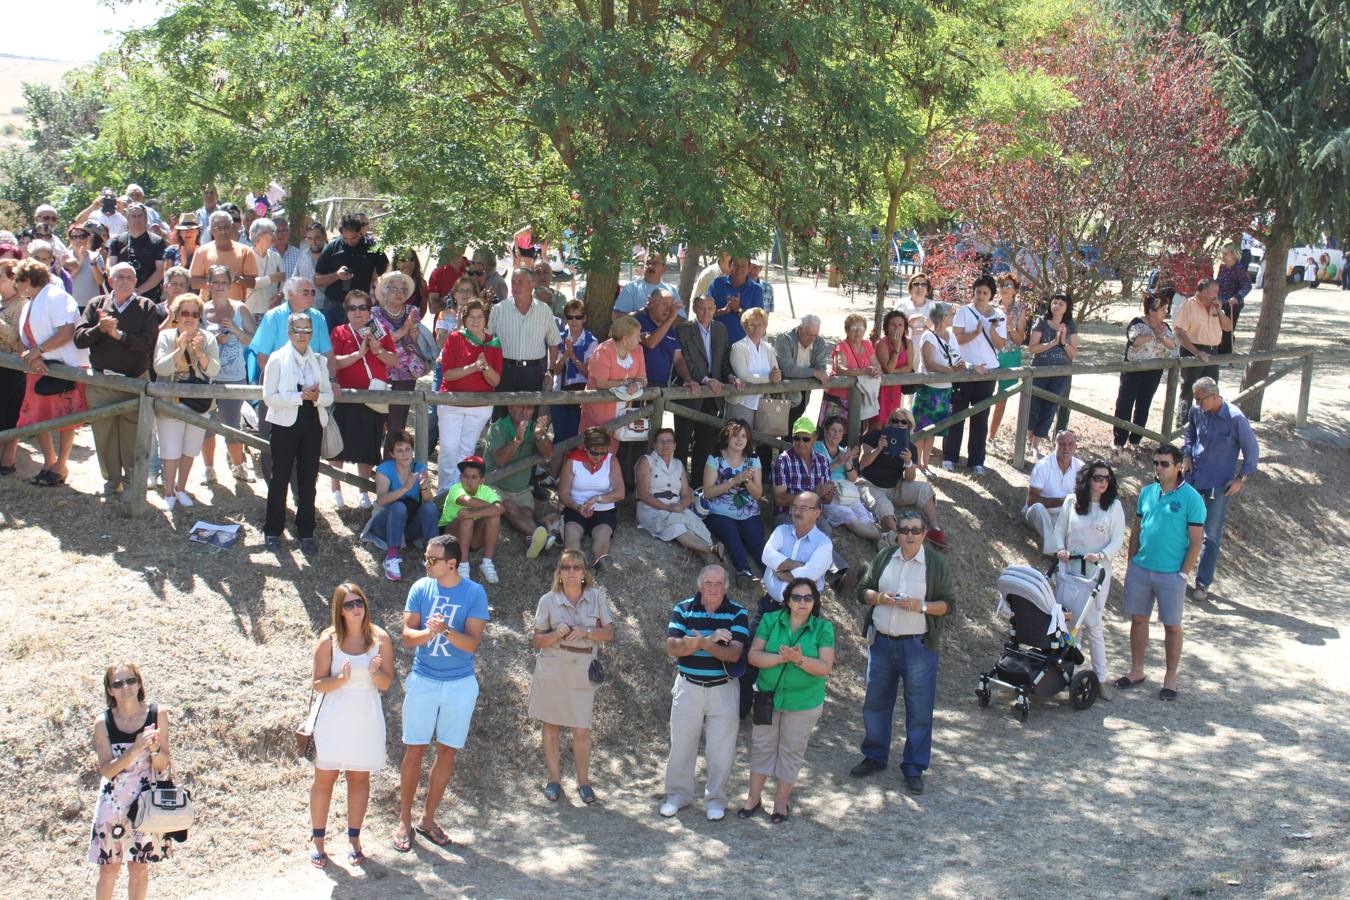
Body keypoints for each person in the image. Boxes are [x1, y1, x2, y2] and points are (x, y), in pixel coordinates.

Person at [850, 510, 956, 794]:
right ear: (897, 532)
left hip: (918, 646)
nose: (909, 535)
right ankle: (874, 756)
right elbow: (863, 591)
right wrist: (881, 598)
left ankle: (913, 767)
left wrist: (920, 605)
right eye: (905, 529)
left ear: (924, 534)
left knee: (919, 709)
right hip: (882, 643)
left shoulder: (934, 564)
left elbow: (948, 605)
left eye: (915, 530)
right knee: (875, 703)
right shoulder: (885, 557)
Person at [395, 535, 490, 853]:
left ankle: (428, 818)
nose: (426, 563)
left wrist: (446, 630)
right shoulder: (420, 588)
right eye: (426, 557)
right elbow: (408, 637)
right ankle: (404, 821)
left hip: (460, 683)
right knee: (414, 751)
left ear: (452, 563)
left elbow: (472, 643)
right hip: (423, 679)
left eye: (432, 559)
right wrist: (429, 632)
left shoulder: (474, 593)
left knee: (447, 752)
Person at [308, 583, 394, 869]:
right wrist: (341, 680)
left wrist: (374, 671)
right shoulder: (328, 640)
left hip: (367, 715)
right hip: (334, 716)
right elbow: (318, 683)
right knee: (325, 779)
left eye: (360, 603)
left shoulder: (380, 638)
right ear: (339, 610)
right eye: (349, 605)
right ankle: (318, 842)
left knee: (359, 779)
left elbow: (386, 684)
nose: (356, 609)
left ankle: (354, 840)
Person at [738, 576, 835, 823]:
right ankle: (753, 798)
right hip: (768, 697)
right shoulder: (770, 621)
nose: (802, 603)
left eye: (808, 598)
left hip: (803, 702)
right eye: (796, 597)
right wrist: (783, 658)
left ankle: (781, 803)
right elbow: (754, 656)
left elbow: (825, 667)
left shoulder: (823, 628)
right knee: (762, 746)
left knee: (791, 750)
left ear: (815, 601)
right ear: (788, 601)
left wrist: (799, 660)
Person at [1116, 444, 1206, 701]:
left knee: (1172, 626)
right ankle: (1137, 670)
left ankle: (1170, 676)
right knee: (1138, 619)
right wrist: (1132, 562)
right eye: (1155, 463)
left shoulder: (1192, 498)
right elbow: (1137, 529)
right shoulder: (1146, 493)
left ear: (1179, 466)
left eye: (1164, 463)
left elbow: (1196, 541)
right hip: (1141, 569)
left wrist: (1183, 573)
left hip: (1171, 574)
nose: (1158, 468)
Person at [661, 564, 750, 821]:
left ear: (726, 587)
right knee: (681, 745)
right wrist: (708, 641)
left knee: (721, 749)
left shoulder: (737, 612)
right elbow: (672, 647)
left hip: (723, 689)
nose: (713, 588)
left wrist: (697, 642)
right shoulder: (683, 608)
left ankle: (716, 799)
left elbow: (734, 654)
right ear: (700, 585)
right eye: (708, 583)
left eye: (718, 584)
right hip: (688, 686)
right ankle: (677, 796)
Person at [528, 550, 616, 803]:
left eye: (576, 567)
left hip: (583, 666)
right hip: (553, 666)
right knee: (551, 725)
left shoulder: (597, 597)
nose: (571, 573)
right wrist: (556, 634)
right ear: (559, 572)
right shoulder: (548, 600)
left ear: (584, 572)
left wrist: (587, 630)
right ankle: (554, 780)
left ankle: (583, 782)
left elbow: (609, 633)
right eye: (566, 567)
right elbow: (537, 640)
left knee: (581, 730)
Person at [74, 263, 163, 496]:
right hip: (101, 383)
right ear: (110, 280)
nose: (125, 281)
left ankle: (133, 485)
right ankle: (112, 482)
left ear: (135, 282)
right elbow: (79, 339)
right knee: (104, 435)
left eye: (130, 277)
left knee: (132, 438)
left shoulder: (146, 306)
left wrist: (119, 335)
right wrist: (99, 329)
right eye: (120, 277)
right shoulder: (97, 304)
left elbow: (148, 343)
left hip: (133, 382)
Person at [89, 663, 174, 895]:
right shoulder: (102, 722)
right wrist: (135, 750)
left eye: (130, 681)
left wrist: (155, 750)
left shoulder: (158, 714)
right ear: (110, 691)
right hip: (112, 802)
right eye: (118, 683)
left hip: (146, 801)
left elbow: (162, 764)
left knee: (139, 867)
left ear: (139, 683)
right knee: (108, 868)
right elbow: (107, 770)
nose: (125, 687)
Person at [1051, 461, 1126, 698]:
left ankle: (1101, 678)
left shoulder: (1114, 507)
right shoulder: (1071, 502)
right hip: (1070, 569)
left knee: (1092, 624)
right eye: (1098, 478)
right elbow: (1059, 530)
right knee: (1069, 623)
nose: (1103, 482)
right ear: (1087, 480)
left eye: (1107, 478)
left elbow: (1117, 539)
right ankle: (1069, 673)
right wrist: (1060, 549)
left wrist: (1101, 555)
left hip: (1096, 572)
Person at [262, 312, 334, 552]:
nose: (302, 335)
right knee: (280, 477)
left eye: (306, 330)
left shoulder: (319, 361)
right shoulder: (277, 358)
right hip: (284, 423)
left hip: (312, 421)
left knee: (308, 478)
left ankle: (306, 531)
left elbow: (329, 395)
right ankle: (273, 530)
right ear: (289, 332)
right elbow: (269, 397)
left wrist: (316, 397)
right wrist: (298, 396)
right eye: (297, 330)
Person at [1182, 377, 1259, 601]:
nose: (1196, 404)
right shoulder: (1197, 412)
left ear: (1214, 397)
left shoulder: (1236, 419)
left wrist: (1241, 478)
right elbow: (1190, 434)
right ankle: (1178, 576)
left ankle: (1202, 582)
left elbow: (1252, 452)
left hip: (1219, 484)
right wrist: (1187, 454)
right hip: (1193, 480)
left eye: (1200, 399)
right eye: (1195, 399)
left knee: (1211, 534)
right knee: (1182, 528)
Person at [13, 260, 87, 485]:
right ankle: (49, 462)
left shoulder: (57, 297)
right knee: (37, 418)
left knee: (66, 418)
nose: (15, 285)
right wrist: (33, 357)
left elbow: (66, 332)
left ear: (27, 280)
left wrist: (39, 351)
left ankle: (61, 465)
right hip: (38, 367)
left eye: (17, 280)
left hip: (63, 367)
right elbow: (24, 340)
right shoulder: (29, 303)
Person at [329, 289, 398, 509]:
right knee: (337, 446)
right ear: (346, 311)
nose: (357, 312)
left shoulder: (381, 330)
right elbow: (334, 363)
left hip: (372, 398)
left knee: (368, 447)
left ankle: (363, 492)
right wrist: (358, 354)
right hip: (345, 397)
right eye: (352, 308)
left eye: (362, 307)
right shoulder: (339, 332)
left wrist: (376, 350)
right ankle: (336, 490)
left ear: (370, 311)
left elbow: (394, 360)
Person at [152, 293, 221, 510]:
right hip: (169, 403)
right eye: (185, 313)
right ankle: (169, 492)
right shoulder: (165, 337)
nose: (189, 318)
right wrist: (179, 350)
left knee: (190, 449)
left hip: (198, 404)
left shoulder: (208, 339)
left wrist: (200, 353)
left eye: (194, 314)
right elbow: (159, 368)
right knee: (170, 450)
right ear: (176, 315)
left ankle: (181, 489)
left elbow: (214, 370)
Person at [436, 298, 502, 490]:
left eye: (480, 316)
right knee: (448, 449)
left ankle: (458, 492)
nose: (475, 320)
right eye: (471, 316)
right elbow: (448, 374)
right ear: (464, 320)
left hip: (479, 408)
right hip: (451, 404)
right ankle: (443, 493)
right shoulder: (455, 338)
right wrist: (473, 367)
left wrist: (485, 367)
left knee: (466, 451)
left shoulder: (494, 343)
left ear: (486, 319)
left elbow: (495, 381)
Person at [856, 407, 946, 548]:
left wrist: (909, 462)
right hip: (870, 484)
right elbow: (862, 463)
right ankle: (897, 536)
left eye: (903, 422)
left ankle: (936, 529)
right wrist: (878, 448)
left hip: (895, 487)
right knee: (884, 505)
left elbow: (910, 478)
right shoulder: (876, 436)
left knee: (925, 488)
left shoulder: (910, 447)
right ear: (889, 422)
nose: (899, 424)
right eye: (895, 420)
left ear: (909, 426)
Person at [199, 264, 256, 484]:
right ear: (209, 284)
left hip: (234, 377)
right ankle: (209, 469)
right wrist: (214, 341)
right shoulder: (202, 310)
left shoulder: (240, 308)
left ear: (230, 284)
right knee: (208, 425)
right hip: (207, 378)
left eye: (224, 282)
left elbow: (254, 341)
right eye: (216, 281)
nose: (220, 286)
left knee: (233, 425)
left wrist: (235, 330)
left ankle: (238, 466)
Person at [944, 274, 1006, 474]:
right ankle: (950, 457)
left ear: (992, 295)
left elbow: (1001, 345)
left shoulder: (999, 315)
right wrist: (976, 333)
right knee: (957, 412)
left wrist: (992, 329)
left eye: (985, 292)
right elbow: (956, 339)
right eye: (978, 291)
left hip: (988, 371)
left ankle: (977, 461)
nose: (980, 295)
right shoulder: (964, 311)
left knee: (981, 416)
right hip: (965, 369)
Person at [364, 430, 440, 582]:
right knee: (399, 507)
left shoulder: (419, 468)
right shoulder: (384, 470)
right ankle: (391, 558)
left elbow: (427, 500)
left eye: (408, 449)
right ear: (392, 454)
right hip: (384, 525)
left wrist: (424, 488)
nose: (405, 454)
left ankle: (433, 559)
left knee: (431, 508)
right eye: (399, 450)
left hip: (408, 525)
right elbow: (382, 500)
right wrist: (406, 488)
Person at [486, 403, 560, 556]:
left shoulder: (535, 428)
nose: (524, 411)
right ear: (510, 407)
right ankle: (545, 538)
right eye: (520, 406)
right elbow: (500, 461)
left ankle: (532, 541)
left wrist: (541, 436)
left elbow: (549, 455)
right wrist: (517, 440)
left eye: (529, 407)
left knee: (525, 514)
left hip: (521, 489)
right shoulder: (497, 427)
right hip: (495, 485)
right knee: (510, 508)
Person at [636, 426, 718, 562]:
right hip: (651, 508)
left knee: (695, 527)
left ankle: (708, 559)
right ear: (654, 444)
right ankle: (711, 550)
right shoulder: (647, 461)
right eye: (661, 441)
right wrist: (669, 508)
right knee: (677, 526)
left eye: (669, 441)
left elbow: (686, 494)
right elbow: (643, 494)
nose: (665, 445)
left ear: (675, 445)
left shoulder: (678, 464)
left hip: (675, 506)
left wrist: (681, 505)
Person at [702, 419, 767, 582]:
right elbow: (708, 492)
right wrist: (733, 480)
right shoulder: (715, 458)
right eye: (735, 436)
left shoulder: (753, 459)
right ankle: (743, 572)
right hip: (719, 512)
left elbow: (758, 494)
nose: (740, 440)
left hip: (749, 511)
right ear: (726, 437)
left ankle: (773, 575)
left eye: (744, 436)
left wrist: (746, 481)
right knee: (732, 537)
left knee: (756, 543)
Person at [1113, 290, 1177, 453]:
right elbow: (1134, 341)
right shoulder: (1137, 324)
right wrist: (1152, 334)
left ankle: (1135, 440)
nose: (1165, 312)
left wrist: (1161, 336)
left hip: (1153, 372)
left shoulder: (1165, 327)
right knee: (1125, 404)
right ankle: (1119, 441)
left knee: (1144, 405)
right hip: (1133, 370)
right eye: (1162, 309)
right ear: (1151, 311)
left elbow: (1172, 345)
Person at [673, 294, 732, 474]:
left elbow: (724, 360)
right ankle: (680, 484)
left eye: (709, 308)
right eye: (701, 308)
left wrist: (730, 376)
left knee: (705, 442)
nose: (705, 312)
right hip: (690, 392)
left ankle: (699, 485)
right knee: (682, 441)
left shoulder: (721, 329)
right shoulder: (683, 329)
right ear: (694, 309)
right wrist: (704, 380)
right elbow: (686, 360)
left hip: (712, 395)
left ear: (715, 309)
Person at [559, 426, 625, 571]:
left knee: (603, 533)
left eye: (603, 452)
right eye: (594, 452)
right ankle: (574, 564)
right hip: (576, 507)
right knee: (572, 531)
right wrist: (577, 507)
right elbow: (563, 494)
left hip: (604, 509)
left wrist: (598, 498)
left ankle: (600, 560)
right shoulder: (573, 460)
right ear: (585, 447)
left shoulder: (611, 460)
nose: (599, 457)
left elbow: (620, 492)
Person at [371, 270, 428, 438]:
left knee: (397, 426)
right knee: (376, 423)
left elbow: (416, 341)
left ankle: (391, 462)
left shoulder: (413, 311)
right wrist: (405, 328)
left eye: (403, 290)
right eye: (394, 289)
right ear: (384, 292)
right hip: (381, 373)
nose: (399, 293)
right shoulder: (373, 313)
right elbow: (382, 340)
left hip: (406, 374)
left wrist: (415, 334)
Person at [578, 314, 647, 452]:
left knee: (611, 456)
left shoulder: (638, 350)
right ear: (625, 339)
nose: (640, 339)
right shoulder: (603, 351)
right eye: (637, 336)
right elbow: (601, 383)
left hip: (621, 416)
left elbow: (643, 378)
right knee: (589, 451)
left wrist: (637, 384)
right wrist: (626, 382)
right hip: (597, 414)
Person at [488, 266, 560, 394]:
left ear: (532, 285)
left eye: (520, 282)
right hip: (505, 370)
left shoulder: (544, 310)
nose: (515, 287)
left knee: (530, 412)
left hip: (534, 373)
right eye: (513, 282)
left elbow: (553, 342)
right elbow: (486, 339)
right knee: (503, 412)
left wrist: (550, 370)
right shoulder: (499, 309)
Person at [728, 306, 783, 469]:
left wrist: (776, 376)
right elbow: (744, 375)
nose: (756, 328)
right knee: (739, 441)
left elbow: (776, 372)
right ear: (745, 326)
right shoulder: (738, 347)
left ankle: (761, 476)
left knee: (763, 441)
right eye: (752, 324)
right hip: (742, 402)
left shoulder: (769, 348)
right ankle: (734, 474)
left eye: (760, 324)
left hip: (763, 402)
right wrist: (769, 378)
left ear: (765, 326)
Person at [1172, 278, 1232, 428]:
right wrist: (1196, 352)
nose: (1217, 294)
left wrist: (1219, 310)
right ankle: (1182, 424)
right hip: (1193, 349)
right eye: (1215, 291)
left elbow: (1228, 327)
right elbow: (1179, 331)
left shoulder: (1215, 306)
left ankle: (1207, 422)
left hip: (1213, 351)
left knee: (1211, 389)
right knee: (1189, 389)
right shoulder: (1188, 305)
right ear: (1205, 292)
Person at [314, 213, 390, 330]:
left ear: (360, 232)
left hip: (360, 308)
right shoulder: (332, 247)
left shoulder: (372, 247)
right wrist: (336, 275)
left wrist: (376, 274)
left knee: (361, 342)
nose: (350, 242)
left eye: (353, 238)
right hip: (333, 306)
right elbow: (317, 280)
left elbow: (385, 266)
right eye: (345, 238)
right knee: (332, 343)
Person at [1026, 291, 1079, 457]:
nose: (1056, 306)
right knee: (1033, 408)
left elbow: (1073, 354)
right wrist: (1052, 343)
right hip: (1040, 371)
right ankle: (1029, 441)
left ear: (1067, 308)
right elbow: (1032, 348)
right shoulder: (1041, 322)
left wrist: (1063, 343)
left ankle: (1036, 444)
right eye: (1055, 302)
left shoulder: (1070, 325)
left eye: (1061, 304)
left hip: (1060, 374)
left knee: (1049, 409)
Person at [814, 416, 882, 542]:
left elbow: (853, 479)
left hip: (846, 492)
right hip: (828, 493)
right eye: (833, 430)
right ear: (825, 431)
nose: (837, 434)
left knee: (864, 516)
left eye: (840, 431)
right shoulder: (817, 448)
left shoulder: (843, 450)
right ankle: (881, 538)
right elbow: (817, 474)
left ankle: (881, 542)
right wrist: (838, 462)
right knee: (849, 515)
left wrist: (848, 463)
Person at [913, 301, 961, 473]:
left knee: (933, 429)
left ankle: (925, 463)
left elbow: (957, 359)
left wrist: (966, 367)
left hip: (944, 390)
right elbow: (929, 364)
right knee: (921, 428)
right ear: (943, 317)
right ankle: (917, 463)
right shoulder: (928, 337)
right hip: (928, 389)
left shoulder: (951, 336)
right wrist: (950, 370)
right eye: (951, 314)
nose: (953, 317)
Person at [438, 455, 503, 584]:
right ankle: (462, 564)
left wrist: (476, 513)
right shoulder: (456, 488)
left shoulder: (486, 491)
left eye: (474, 477)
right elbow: (466, 501)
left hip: (472, 538)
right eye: (466, 476)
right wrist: (490, 506)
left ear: (481, 480)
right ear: (460, 477)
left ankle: (487, 562)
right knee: (465, 517)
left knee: (494, 517)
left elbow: (501, 508)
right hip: (450, 537)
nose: (469, 480)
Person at [548, 298, 597, 454]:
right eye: (570, 317)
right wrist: (565, 356)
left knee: (576, 438)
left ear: (585, 318)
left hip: (581, 394)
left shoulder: (592, 342)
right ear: (566, 318)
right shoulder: (558, 337)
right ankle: (555, 476)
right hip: (559, 393)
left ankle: (570, 474)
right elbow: (555, 369)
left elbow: (589, 372)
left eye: (578, 317)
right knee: (559, 437)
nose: (574, 321)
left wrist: (573, 356)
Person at [1023, 429, 1082, 554]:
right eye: (1062, 444)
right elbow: (1031, 501)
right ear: (1055, 445)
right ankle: (1055, 550)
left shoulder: (1081, 468)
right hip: (1040, 514)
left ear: (1076, 447)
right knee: (1037, 508)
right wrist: (1064, 501)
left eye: (1070, 444)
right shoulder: (1043, 466)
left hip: (1064, 516)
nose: (1066, 447)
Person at [988, 274, 1029, 443]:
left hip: (1011, 355)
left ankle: (991, 436)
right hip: (990, 354)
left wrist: (1010, 325)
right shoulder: (990, 307)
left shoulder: (1021, 310)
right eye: (1003, 285)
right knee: (984, 395)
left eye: (1010, 285)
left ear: (1016, 290)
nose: (1005, 288)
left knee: (1002, 398)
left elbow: (1020, 340)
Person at [823, 313, 881, 428]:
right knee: (834, 433)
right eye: (854, 328)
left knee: (855, 434)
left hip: (859, 399)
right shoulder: (841, 346)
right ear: (847, 330)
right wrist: (865, 371)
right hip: (838, 399)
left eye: (861, 328)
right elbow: (840, 369)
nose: (858, 332)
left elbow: (876, 364)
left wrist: (876, 371)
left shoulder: (867, 345)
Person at [771, 313, 831, 425]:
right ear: (799, 329)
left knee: (794, 425)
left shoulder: (819, 342)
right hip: (783, 393)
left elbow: (821, 369)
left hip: (804, 391)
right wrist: (814, 372)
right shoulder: (784, 339)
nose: (812, 339)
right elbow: (788, 370)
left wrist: (816, 373)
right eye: (808, 335)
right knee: (778, 428)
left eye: (815, 335)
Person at [189, 210, 258, 303]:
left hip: (236, 307)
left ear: (232, 228)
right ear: (212, 230)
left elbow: (252, 283)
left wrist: (236, 279)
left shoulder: (245, 251)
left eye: (226, 227)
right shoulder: (202, 251)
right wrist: (216, 283)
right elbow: (194, 282)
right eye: (218, 228)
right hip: (208, 305)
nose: (223, 231)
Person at [0, 260, 28, 473]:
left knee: (10, 413)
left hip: (13, 367)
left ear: (13, 281)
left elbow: (14, 337)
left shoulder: (22, 305)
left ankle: (8, 459)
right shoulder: (2, 302)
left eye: (1, 277)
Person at [710, 256, 764, 344]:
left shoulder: (756, 289)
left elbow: (757, 322)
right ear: (730, 265)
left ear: (748, 268)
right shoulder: (718, 283)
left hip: (743, 343)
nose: (739, 269)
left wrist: (738, 309)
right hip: (716, 341)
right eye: (736, 265)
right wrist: (723, 311)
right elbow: (705, 313)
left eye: (743, 266)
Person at [874, 309, 911, 427]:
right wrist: (896, 348)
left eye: (900, 325)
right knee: (877, 425)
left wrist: (893, 372)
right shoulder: (881, 343)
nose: (897, 328)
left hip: (897, 388)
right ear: (887, 327)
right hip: (881, 389)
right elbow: (888, 368)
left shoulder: (908, 342)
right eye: (893, 325)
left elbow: (909, 367)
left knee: (893, 423)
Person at [241, 217, 285, 315]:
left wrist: (280, 295)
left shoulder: (275, 257)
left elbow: (283, 280)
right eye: (271, 232)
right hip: (249, 312)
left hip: (271, 312)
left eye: (275, 232)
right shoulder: (246, 256)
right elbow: (248, 283)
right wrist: (273, 278)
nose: (275, 235)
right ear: (258, 236)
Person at [1215, 247, 1251, 357]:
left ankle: (1225, 354)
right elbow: (1218, 282)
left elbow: (1247, 286)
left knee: (1228, 329)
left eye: (1226, 254)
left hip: (1232, 304)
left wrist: (1237, 297)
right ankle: (1219, 349)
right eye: (1223, 253)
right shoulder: (1223, 267)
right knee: (1218, 327)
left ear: (1233, 255)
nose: (1223, 256)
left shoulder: (1239, 268)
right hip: (1220, 302)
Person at [66, 221, 108, 308]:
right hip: (71, 305)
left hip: (92, 306)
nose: (78, 240)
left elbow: (100, 281)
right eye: (74, 237)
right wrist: (81, 260)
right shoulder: (65, 257)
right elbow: (68, 279)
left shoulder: (95, 256)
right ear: (70, 240)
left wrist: (93, 264)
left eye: (82, 236)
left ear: (87, 238)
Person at [427, 242, 469, 313]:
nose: (461, 244)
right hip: (444, 322)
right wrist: (458, 302)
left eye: (463, 240)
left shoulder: (472, 268)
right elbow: (433, 308)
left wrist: (448, 301)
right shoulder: (438, 273)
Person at [391, 247, 430, 316]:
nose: (408, 263)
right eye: (403, 260)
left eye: (411, 259)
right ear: (396, 263)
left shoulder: (421, 284)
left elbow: (422, 310)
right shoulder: (388, 281)